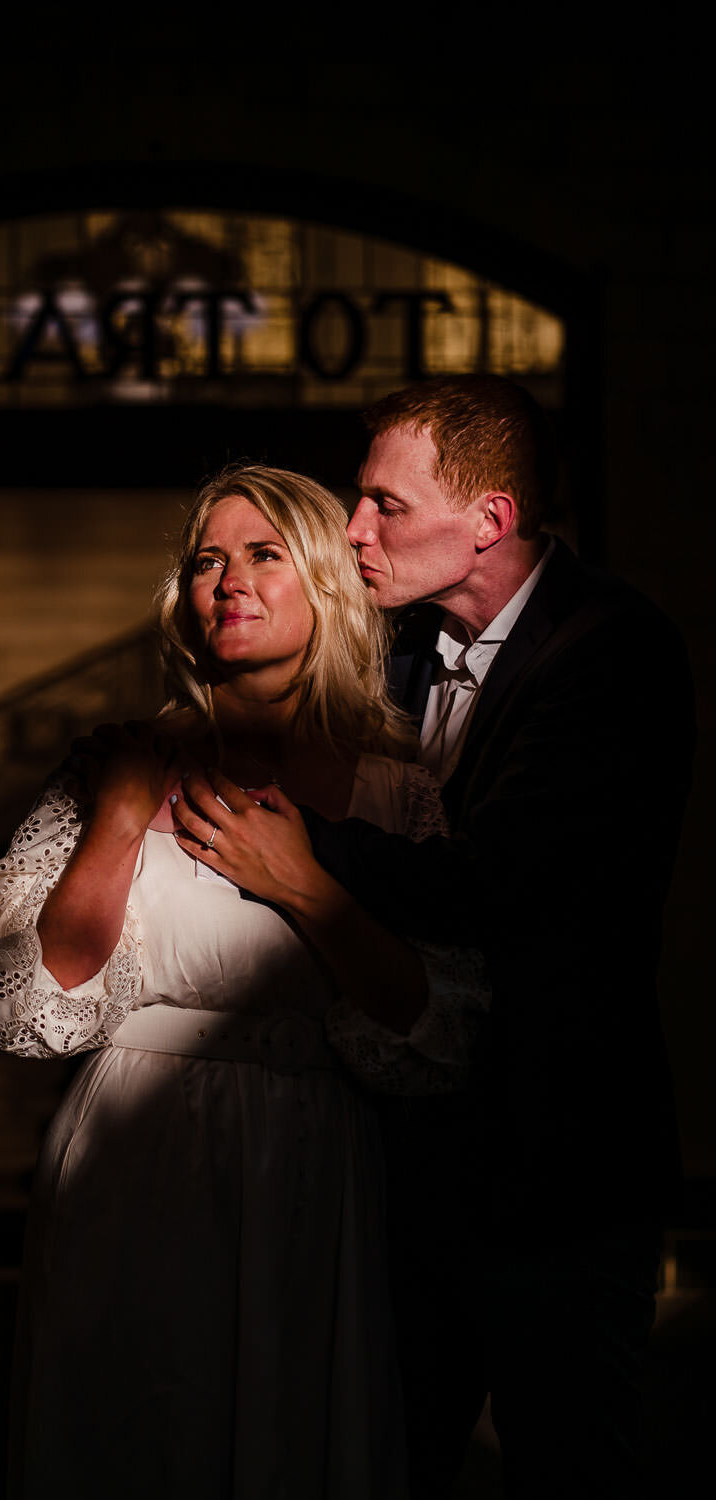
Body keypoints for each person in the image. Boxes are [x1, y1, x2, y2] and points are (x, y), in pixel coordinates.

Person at [176, 378, 695, 1500]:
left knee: (569, 1466)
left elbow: (501, 886)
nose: (354, 530)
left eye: (384, 506)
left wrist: (295, 851)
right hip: (403, 1166)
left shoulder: (612, 652)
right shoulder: (391, 657)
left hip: (556, 1156)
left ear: (489, 522)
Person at [0, 464, 489, 1500]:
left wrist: (308, 890)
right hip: (131, 1155)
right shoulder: (118, 760)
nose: (227, 580)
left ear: (323, 579)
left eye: (263, 554)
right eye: (205, 561)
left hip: (314, 1169)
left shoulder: (397, 783)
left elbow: (437, 1033)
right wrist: (116, 812)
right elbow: (41, 993)